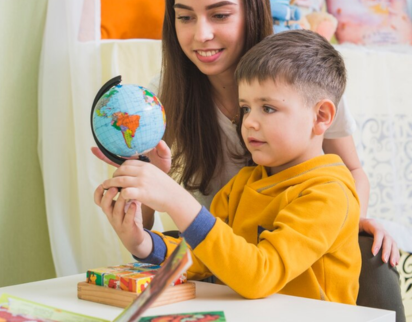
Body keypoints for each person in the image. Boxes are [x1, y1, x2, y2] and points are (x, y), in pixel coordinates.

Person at [92, 0, 404, 317]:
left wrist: (345, 220)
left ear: (252, 10)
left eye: (220, 15)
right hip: (229, 272)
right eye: (185, 17)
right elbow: (207, 254)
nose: (201, 34)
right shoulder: (167, 108)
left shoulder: (303, 80)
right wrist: (142, 235)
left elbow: (345, 177)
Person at [95, 29, 361, 303]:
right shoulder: (243, 183)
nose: (249, 122)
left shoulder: (329, 194)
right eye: (245, 108)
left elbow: (260, 275)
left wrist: (177, 200)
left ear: (321, 116)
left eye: (268, 108)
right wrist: (143, 243)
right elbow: (206, 256)